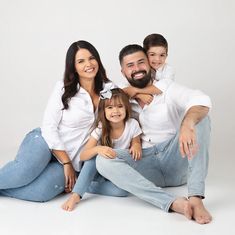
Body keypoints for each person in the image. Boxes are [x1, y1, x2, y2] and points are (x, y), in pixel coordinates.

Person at [96, 44, 212, 224]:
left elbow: (201, 99)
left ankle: (195, 197)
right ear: (123, 71)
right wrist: (134, 93)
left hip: (176, 157)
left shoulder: (167, 88)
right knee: (102, 159)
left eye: (141, 62)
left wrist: (187, 123)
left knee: (201, 118)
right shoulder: (120, 95)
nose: (137, 69)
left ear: (150, 64)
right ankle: (171, 202)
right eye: (130, 65)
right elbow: (99, 108)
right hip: (144, 161)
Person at [0, 40, 127, 202]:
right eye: (81, 61)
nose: (88, 64)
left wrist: (139, 91)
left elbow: (122, 102)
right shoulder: (63, 88)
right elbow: (49, 126)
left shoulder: (108, 89)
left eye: (91, 58)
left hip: (74, 160)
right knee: (23, 174)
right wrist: (66, 162)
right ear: (73, 66)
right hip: (45, 142)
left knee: (42, 193)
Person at [62, 88, 142, 211]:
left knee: (123, 192)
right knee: (93, 158)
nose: (115, 111)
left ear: (126, 108)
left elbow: (136, 141)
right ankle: (76, 194)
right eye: (110, 108)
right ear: (103, 111)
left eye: (120, 106)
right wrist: (98, 149)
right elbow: (83, 156)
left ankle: (85, 185)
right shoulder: (101, 128)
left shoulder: (132, 124)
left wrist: (136, 144)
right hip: (97, 171)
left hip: (114, 173)